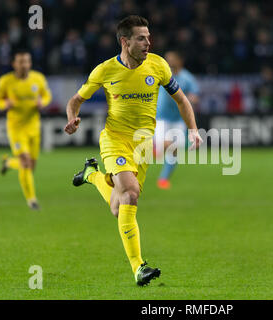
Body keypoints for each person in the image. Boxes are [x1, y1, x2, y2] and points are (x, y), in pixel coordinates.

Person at [64, 15, 202, 286]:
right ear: (125, 42)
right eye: (141, 38)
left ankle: (92, 175)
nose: (148, 42)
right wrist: (72, 118)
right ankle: (139, 267)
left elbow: (182, 99)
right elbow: (76, 100)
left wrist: (194, 129)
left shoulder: (158, 65)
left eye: (149, 37)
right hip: (115, 139)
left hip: (143, 144)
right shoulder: (105, 70)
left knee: (119, 206)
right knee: (131, 192)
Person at [0, 49, 52, 210]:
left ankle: (8, 162)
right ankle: (32, 200)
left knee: (31, 166)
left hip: (34, 127)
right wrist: (4, 104)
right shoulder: (6, 81)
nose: (24, 65)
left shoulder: (38, 79)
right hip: (16, 128)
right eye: (20, 62)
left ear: (30, 63)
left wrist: (43, 103)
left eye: (27, 61)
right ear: (14, 64)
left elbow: (47, 95)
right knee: (25, 163)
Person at [154, 50, 199, 189]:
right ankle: (154, 147)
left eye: (172, 59)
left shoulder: (187, 78)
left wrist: (190, 99)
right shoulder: (162, 74)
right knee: (165, 145)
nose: (169, 62)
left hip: (179, 118)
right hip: (161, 116)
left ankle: (163, 178)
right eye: (167, 59)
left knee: (175, 150)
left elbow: (195, 96)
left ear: (180, 60)